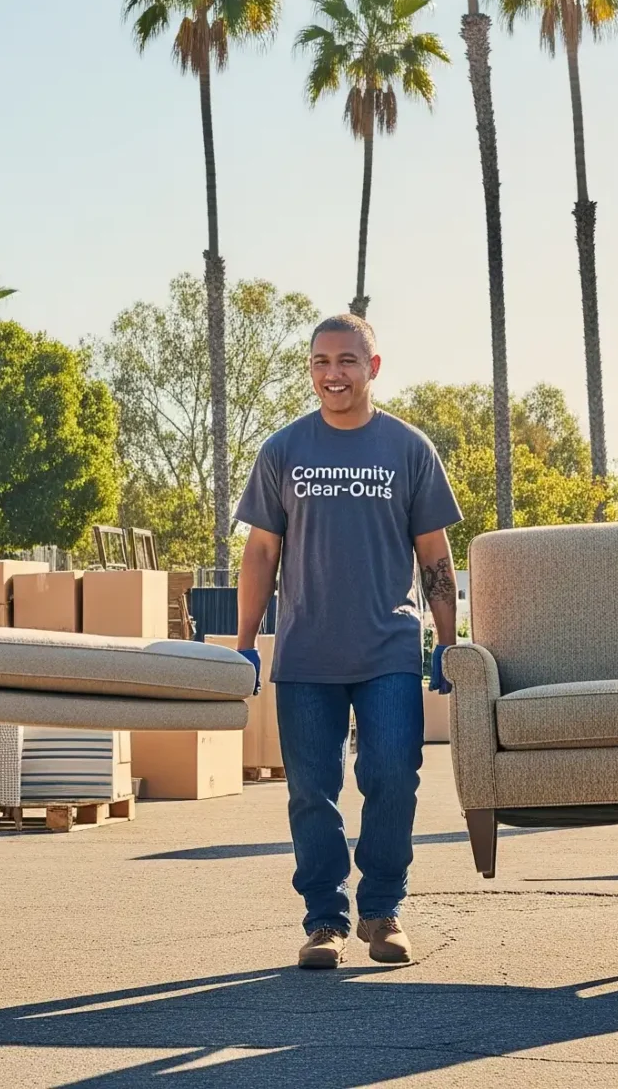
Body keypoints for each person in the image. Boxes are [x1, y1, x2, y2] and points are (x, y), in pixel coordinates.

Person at [235, 313, 460, 970]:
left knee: (392, 776)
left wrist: (449, 642)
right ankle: (325, 922)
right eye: (320, 362)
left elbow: (435, 555)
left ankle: (383, 910)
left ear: (373, 367)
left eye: (346, 361)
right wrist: (245, 643)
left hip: (389, 649)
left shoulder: (408, 448)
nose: (332, 374)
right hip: (306, 653)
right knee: (312, 790)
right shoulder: (283, 450)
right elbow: (260, 553)